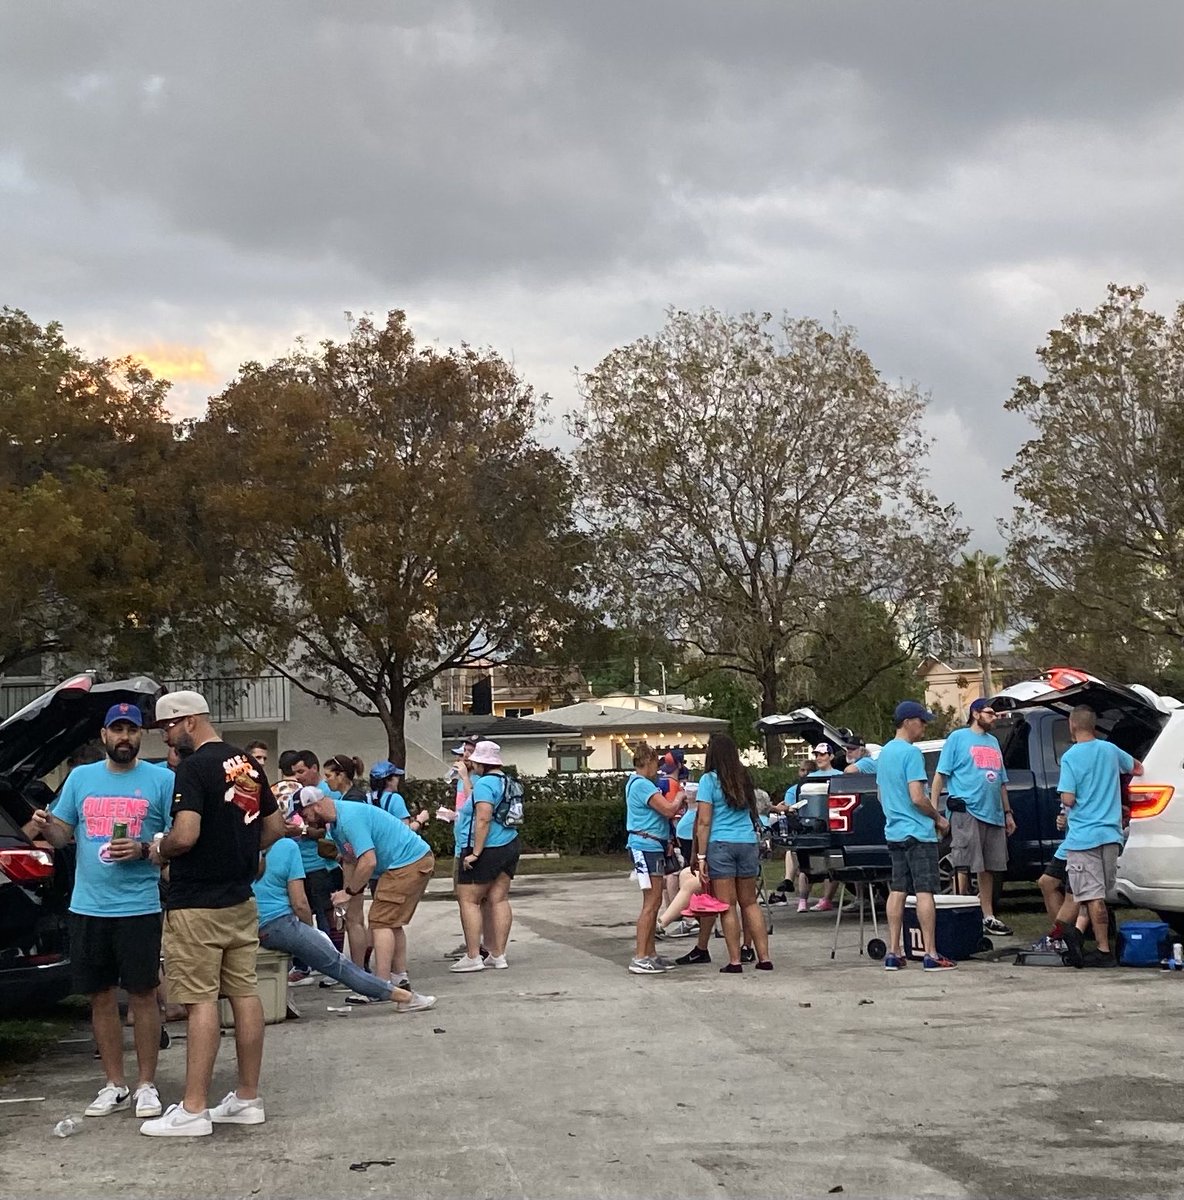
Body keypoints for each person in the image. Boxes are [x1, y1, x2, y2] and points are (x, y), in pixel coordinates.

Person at [141, 691, 285, 1137]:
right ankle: (246, 1098)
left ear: (187, 722)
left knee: (199, 1000)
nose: (166, 737)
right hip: (240, 899)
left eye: (167, 727)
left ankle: (194, 1108)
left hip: (196, 903)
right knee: (244, 994)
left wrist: (157, 850)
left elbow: (186, 834)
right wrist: (239, 850)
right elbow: (275, 828)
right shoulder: (247, 763)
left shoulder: (194, 767)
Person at [30, 703, 173, 1120]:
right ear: (104, 736)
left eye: (132, 729)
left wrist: (147, 849)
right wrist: (46, 823)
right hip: (88, 906)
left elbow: (177, 841)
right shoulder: (80, 778)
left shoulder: (162, 780)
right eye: (117, 730)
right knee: (100, 997)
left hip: (139, 905)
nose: (124, 737)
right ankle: (114, 1084)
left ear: (141, 735)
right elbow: (62, 836)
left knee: (144, 995)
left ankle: (147, 1084)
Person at [253, 834, 435, 1012]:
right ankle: (405, 998)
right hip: (279, 922)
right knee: (337, 964)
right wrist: (310, 931)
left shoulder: (241, 846)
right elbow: (300, 903)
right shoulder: (287, 847)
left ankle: (281, 999)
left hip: (253, 923)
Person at [301, 789, 435, 989]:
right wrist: (344, 896)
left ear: (317, 806)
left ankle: (379, 986)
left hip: (408, 862)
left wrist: (349, 892)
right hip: (405, 862)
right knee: (391, 921)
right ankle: (399, 977)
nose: (306, 823)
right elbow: (350, 859)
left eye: (305, 815)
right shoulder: (336, 825)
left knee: (379, 922)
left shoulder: (349, 819)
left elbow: (368, 861)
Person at [1055, 706, 1142, 968]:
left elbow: (1068, 797)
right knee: (1097, 894)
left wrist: (1068, 800)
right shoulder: (1110, 750)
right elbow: (1137, 768)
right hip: (1111, 835)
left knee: (1091, 896)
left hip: (1084, 837)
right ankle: (1078, 936)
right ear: (1093, 725)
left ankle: (1104, 950)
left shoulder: (1070, 757)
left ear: (1072, 725)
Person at [879, 700, 955, 973]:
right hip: (918, 833)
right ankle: (931, 953)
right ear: (909, 721)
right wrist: (938, 817)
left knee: (897, 889)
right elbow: (917, 797)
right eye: (922, 721)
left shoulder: (884, 753)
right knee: (925, 891)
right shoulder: (911, 754)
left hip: (895, 831)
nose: (923, 727)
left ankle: (893, 951)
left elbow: (880, 794)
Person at [931, 699, 1016, 938]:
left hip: (993, 813)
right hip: (967, 810)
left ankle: (987, 915)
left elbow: (1001, 781)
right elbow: (940, 775)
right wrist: (936, 811)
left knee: (989, 867)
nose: (994, 717)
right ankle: (964, 912)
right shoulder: (958, 738)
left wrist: (1007, 813)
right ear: (975, 713)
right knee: (964, 863)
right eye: (989, 713)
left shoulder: (994, 742)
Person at [690, 732, 771, 973]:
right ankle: (764, 958)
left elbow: (704, 821)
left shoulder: (709, 781)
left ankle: (735, 961)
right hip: (747, 842)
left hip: (721, 843)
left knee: (727, 905)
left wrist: (701, 856)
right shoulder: (743, 777)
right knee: (750, 903)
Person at [450, 740, 521, 974]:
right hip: (509, 843)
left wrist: (475, 853)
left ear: (482, 763)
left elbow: (483, 818)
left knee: (468, 899)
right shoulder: (508, 781)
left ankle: (473, 956)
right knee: (499, 899)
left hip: (487, 847)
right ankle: (498, 954)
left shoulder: (485, 785)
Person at [286, 749, 341, 979]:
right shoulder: (293, 794)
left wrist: (303, 830)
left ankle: (333, 962)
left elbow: (327, 830)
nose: (297, 777)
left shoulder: (327, 795)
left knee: (325, 913)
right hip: (299, 865)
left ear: (313, 768)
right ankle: (303, 964)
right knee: (300, 914)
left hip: (320, 864)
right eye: (293, 773)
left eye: (301, 771)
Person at [789, 743, 843, 913]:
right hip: (812, 825)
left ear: (831, 756)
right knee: (807, 863)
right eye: (817, 754)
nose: (819, 758)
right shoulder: (808, 778)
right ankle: (803, 900)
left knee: (834, 864)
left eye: (823, 754)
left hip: (834, 825)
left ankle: (826, 899)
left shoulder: (841, 777)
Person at [368, 759, 429, 833]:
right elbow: (405, 832)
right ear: (388, 780)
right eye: (396, 776)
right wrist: (420, 820)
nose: (398, 778)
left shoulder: (367, 798)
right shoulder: (395, 799)